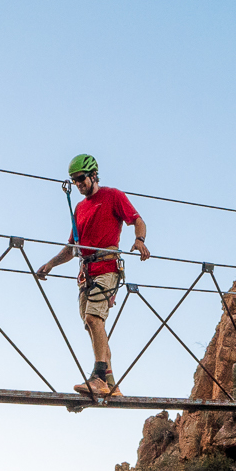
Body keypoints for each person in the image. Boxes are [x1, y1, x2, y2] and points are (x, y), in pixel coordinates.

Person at [35, 154, 149, 397]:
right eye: (74, 181)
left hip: (107, 268)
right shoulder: (79, 207)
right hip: (86, 273)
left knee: (94, 318)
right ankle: (111, 383)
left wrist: (139, 240)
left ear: (94, 175)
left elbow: (137, 220)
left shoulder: (112, 196)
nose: (78, 184)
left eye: (81, 179)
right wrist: (51, 264)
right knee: (91, 325)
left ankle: (97, 378)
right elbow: (72, 248)